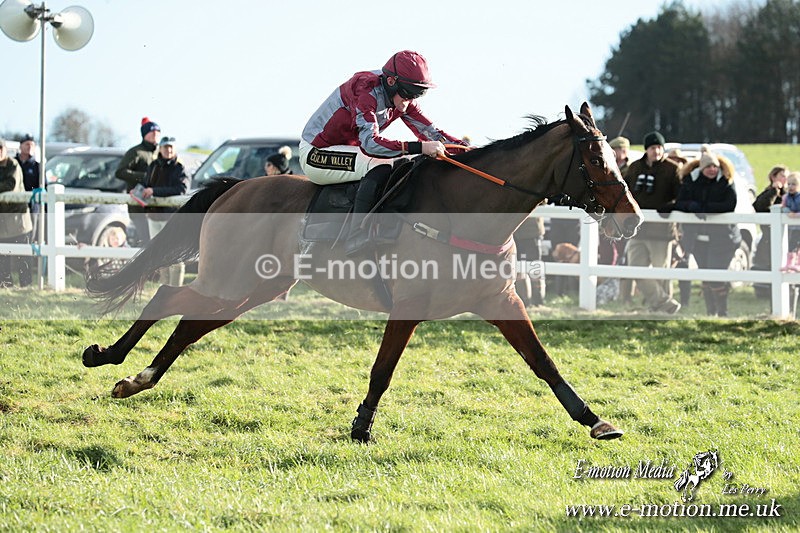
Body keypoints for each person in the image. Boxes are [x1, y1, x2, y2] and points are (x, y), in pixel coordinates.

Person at [299, 50, 467, 254]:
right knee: (381, 165)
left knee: (405, 163)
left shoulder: (400, 95)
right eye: (408, 92)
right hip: (317, 152)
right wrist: (419, 146)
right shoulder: (366, 91)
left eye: (417, 94)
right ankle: (355, 235)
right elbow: (370, 144)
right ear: (391, 82)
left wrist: (466, 150)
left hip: (348, 149)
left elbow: (431, 133)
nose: (410, 101)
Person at [675, 146, 741, 317]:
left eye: (714, 166)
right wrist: (691, 206)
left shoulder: (726, 182)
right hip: (698, 238)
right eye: (708, 167)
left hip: (724, 238)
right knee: (705, 274)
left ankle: (723, 312)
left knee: (716, 275)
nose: (712, 169)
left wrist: (705, 208)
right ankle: (711, 313)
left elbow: (729, 205)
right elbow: (680, 202)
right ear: (701, 168)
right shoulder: (690, 182)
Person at [623, 131, 682, 314]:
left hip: (661, 231)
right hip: (637, 229)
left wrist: (670, 207)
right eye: (652, 147)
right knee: (635, 269)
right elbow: (626, 193)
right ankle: (665, 303)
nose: (656, 151)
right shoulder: (634, 168)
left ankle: (662, 309)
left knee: (661, 272)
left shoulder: (672, 169)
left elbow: (680, 196)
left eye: (659, 147)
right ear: (646, 149)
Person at [141, 136, 189, 286]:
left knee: (175, 256)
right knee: (159, 256)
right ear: (160, 149)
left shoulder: (180, 168)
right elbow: (146, 184)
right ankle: (164, 290)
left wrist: (154, 191)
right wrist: (140, 191)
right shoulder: (153, 166)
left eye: (171, 147)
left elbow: (181, 189)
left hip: (172, 217)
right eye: (165, 147)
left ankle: (175, 291)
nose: (168, 150)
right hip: (154, 217)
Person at [116, 117, 161, 245]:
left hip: (157, 205)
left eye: (158, 132)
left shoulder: (161, 152)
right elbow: (120, 172)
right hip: (138, 205)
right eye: (152, 132)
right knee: (146, 241)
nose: (155, 134)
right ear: (144, 134)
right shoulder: (135, 152)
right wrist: (145, 177)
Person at [0, 138, 33, 288]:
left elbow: (9, 186)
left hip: (17, 218)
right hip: (3, 219)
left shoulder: (13, 165)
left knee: (22, 255)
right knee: (3, 256)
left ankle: (25, 285)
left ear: (6, 150)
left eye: (1, 148)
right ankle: (5, 284)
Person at [752, 165, 788, 295]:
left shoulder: (792, 194)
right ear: (774, 177)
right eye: (783, 176)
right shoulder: (768, 193)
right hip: (768, 237)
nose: (786, 179)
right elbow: (760, 207)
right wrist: (774, 191)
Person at [13, 133, 38, 287]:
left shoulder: (37, 167)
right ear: (20, 146)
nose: (29, 147)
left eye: (32, 145)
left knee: (26, 244)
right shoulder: (13, 164)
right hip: (12, 212)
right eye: (27, 144)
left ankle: (26, 282)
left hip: (29, 212)